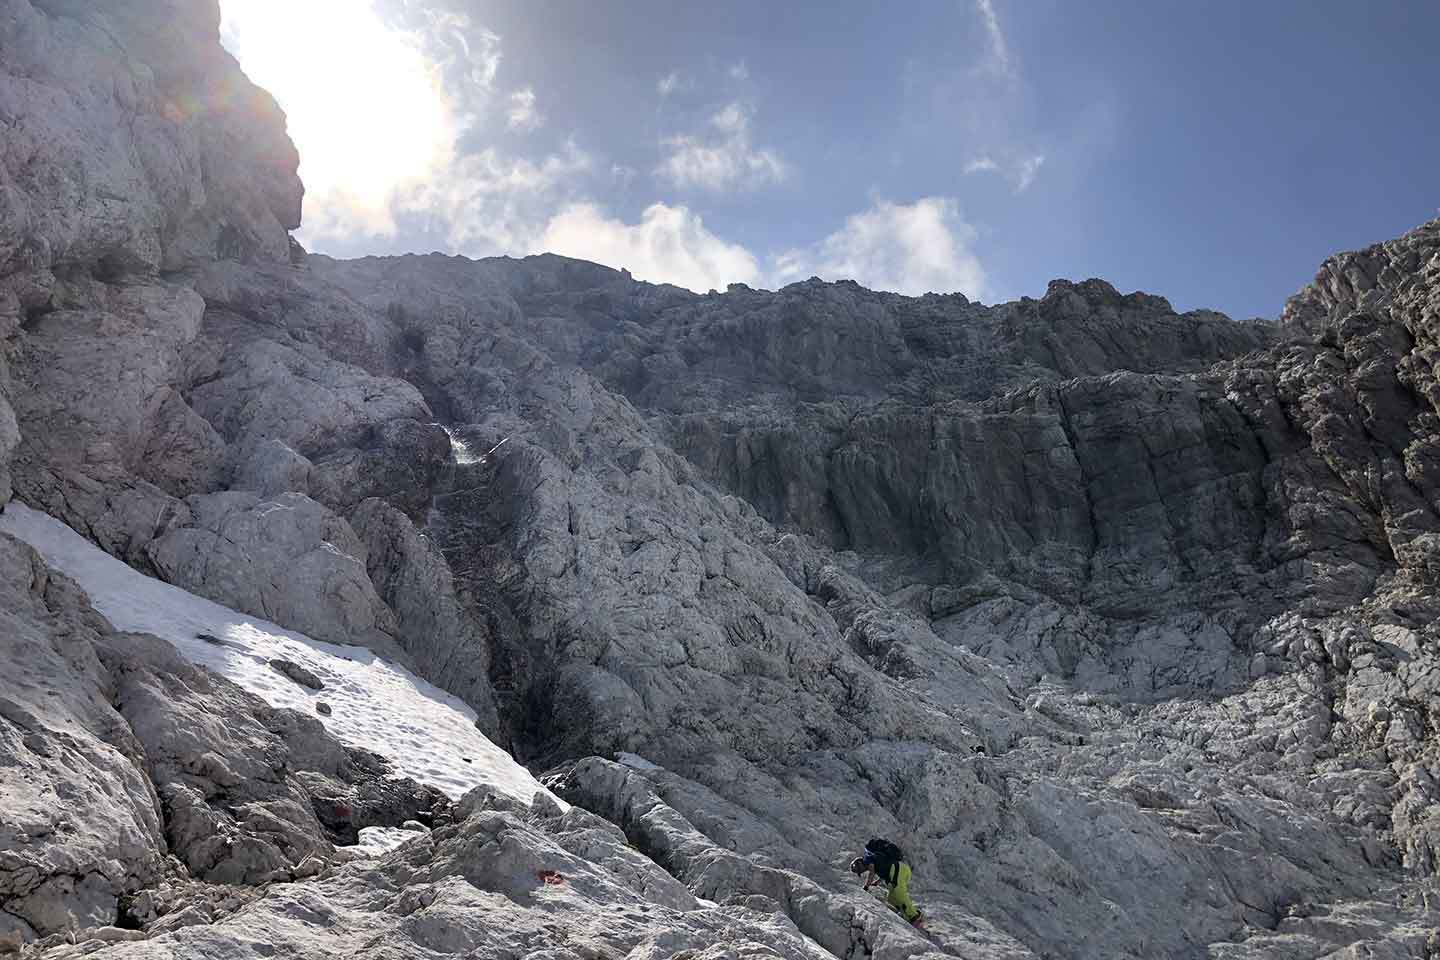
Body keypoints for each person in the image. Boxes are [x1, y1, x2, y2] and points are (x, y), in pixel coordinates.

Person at [850, 838, 924, 927]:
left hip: (898, 869)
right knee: (891, 898)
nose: (861, 871)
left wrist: (866, 887)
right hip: (899, 871)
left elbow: (872, 873)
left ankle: (915, 917)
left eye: (859, 870)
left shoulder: (867, 859)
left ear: (860, 863)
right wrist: (877, 882)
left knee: (899, 893)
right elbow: (883, 871)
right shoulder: (875, 860)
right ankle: (909, 914)